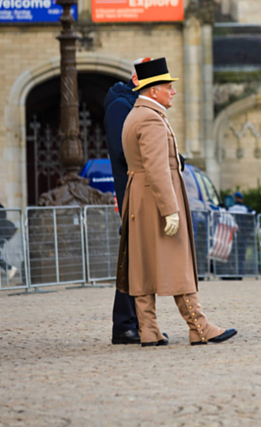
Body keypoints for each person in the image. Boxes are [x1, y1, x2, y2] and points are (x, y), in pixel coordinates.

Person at [116, 57, 237, 347]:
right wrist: (170, 210)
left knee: (143, 265)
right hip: (157, 198)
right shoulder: (150, 118)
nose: (173, 91)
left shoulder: (136, 114)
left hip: (141, 197)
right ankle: (199, 326)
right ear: (153, 89)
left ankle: (149, 330)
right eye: (168, 86)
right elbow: (158, 168)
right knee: (178, 262)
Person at [104, 57, 150, 345]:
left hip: (141, 187)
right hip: (132, 190)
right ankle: (124, 324)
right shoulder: (121, 107)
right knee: (132, 258)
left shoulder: (134, 105)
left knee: (138, 258)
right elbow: (125, 151)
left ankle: (136, 323)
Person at [228, 192, 256, 275]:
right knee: (241, 254)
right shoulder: (246, 209)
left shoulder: (230, 208)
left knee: (232, 254)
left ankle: (232, 273)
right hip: (243, 234)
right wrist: (250, 231)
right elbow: (254, 216)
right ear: (241, 199)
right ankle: (240, 273)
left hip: (233, 234)